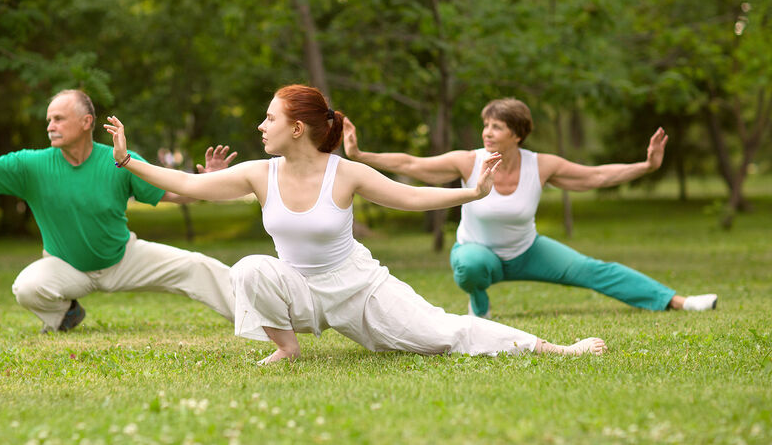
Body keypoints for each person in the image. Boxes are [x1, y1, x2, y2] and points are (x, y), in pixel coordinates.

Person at [104, 85, 607, 364]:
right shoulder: (259, 174)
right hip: (299, 289)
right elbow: (188, 186)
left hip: (359, 289)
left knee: (443, 335)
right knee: (250, 268)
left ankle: (556, 348)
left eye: (269, 119)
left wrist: (471, 192)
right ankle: (288, 348)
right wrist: (128, 161)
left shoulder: (345, 173)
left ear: (296, 128)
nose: (261, 126)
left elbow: (410, 196)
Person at [342, 97, 718, 319]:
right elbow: (411, 164)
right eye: (486, 125)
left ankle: (679, 302)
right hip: (479, 253)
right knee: (472, 267)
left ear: (517, 134)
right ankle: (479, 302)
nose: (488, 132)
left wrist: (648, 166)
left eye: (498, 126)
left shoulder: (542, 165)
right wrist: (360, 154)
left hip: (528, 250)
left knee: (595, 270)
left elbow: (596, 177)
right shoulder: (466, 160)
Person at [0, 90, 237, 333]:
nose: (50, 125)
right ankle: (66, 314)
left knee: (196, 265)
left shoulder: (119, 160)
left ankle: (256, 316)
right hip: (65, 267)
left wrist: (209, 182)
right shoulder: (31, 165)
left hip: (123, 258)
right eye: (49, 119)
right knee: (27, 287)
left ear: (86, 122)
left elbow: (174, 193)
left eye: (59, 118)